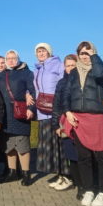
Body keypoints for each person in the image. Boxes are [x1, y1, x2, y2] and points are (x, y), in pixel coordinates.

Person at [61, 41, 103, 206]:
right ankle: (89, 189)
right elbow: (66, 94)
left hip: (97, 117)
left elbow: (100, 76)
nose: (84, 56)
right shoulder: (73, 73)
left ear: (93, 53)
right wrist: (68, 112)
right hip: (78, 119)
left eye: (87, 53)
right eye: (82, 53)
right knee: (83, 156)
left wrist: (94, 57)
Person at [0, 50, 36, 186]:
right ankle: (12, 172)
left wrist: (31, 108)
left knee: (22, 145)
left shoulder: (26, 73)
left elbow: (33, 90)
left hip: (21, 113)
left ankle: (26, 173)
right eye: (8, 58)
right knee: (9, 146)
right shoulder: (2, 75)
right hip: (6, 115)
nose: (11, 60)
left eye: (13, 58)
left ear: (18, 59)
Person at [32, 43, 66, 182]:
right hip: (42, 112)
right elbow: (34, 89)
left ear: (49, 52)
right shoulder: (37, 70)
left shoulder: (58, 65)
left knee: (60, 144)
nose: (41, 53)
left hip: (55, 111)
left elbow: (63, 84)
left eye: (43, 51)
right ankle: (57, 173)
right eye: (38, 51)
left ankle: (66, 175)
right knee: (49, 145)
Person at [52, 54, 83, 197]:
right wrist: (56, 125)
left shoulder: (83, 81)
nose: (70, 68)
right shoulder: (61, 83)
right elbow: (56, 105)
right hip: (65, 123)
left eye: (73, 65)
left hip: (82, 123)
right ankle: (79, 185)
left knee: (83, 155)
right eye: (68, 65)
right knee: (72, 156)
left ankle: (86, 184)